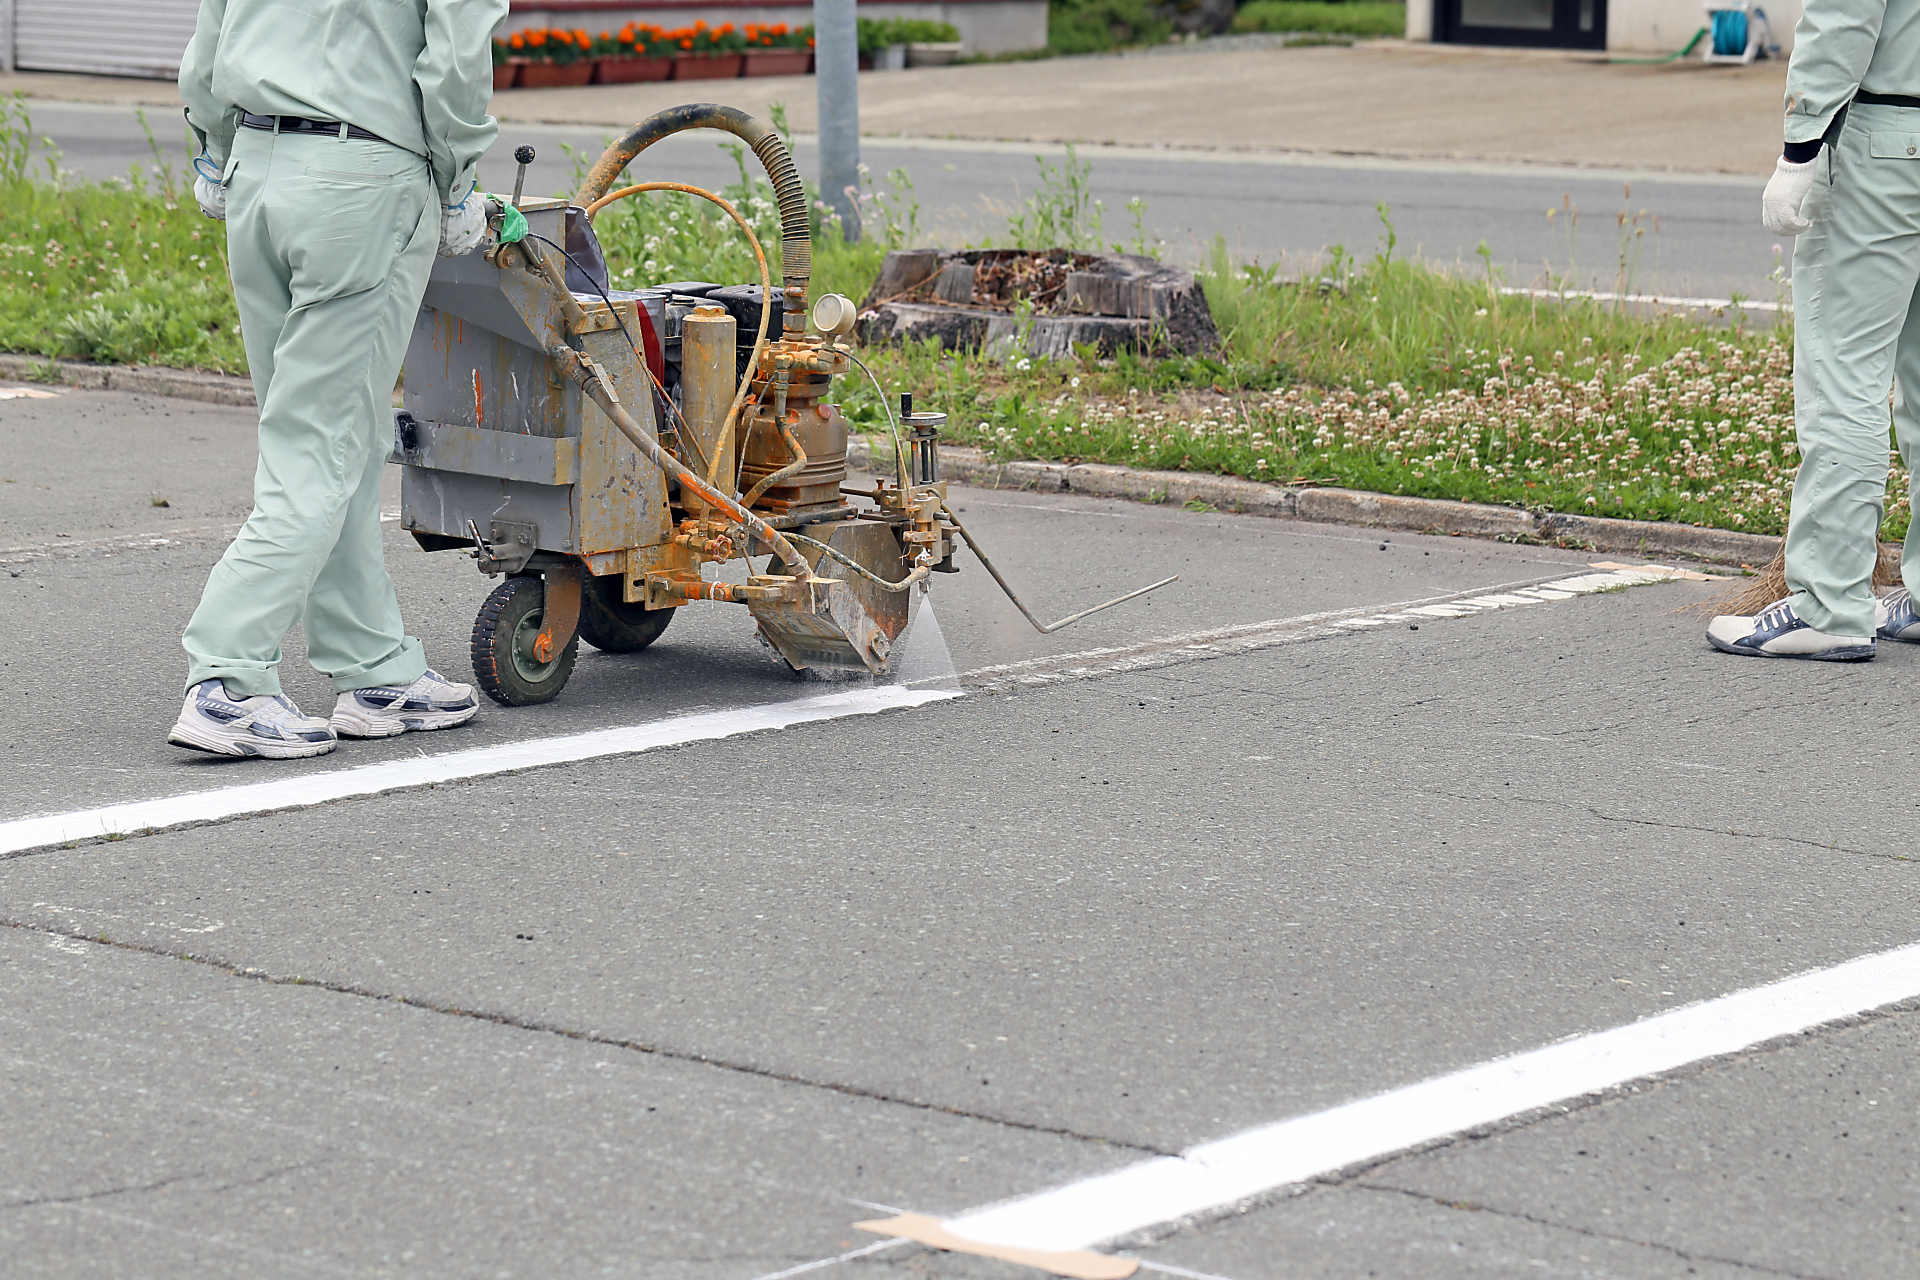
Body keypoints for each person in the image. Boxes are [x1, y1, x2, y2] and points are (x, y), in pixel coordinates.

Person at [167, 0, 508, 758]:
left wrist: (216, 150)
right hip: (364, 179)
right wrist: (457, 187)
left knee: (326, 438)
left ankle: (373, 665)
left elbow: (206, 52)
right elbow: (455, 68)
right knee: (322, 444)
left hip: (256, 170)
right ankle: (227, 679)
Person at [1708, 2, 1920, 660]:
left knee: (1843, 372)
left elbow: (1843, 16)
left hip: (1882, 144)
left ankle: (1830, 602)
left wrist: (1800, 149)